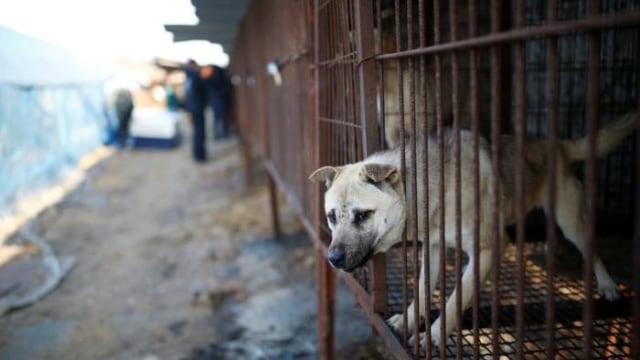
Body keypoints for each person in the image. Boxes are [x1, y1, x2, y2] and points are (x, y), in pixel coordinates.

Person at [184, 59, 208, 162]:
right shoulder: (196, 76)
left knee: (196, 131)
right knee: (200, 131)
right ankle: (200, 155)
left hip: (192, 108)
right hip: (198, 107)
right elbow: (203, 92)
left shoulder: (187, 78)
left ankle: (197, 154)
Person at [201, 64, 231, 139]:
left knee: (217, 117)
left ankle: (218, 134)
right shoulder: (218, 74)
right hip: (219, 98)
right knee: (221, 117)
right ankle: (221, 133)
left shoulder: (209, 75)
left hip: (214, 99)